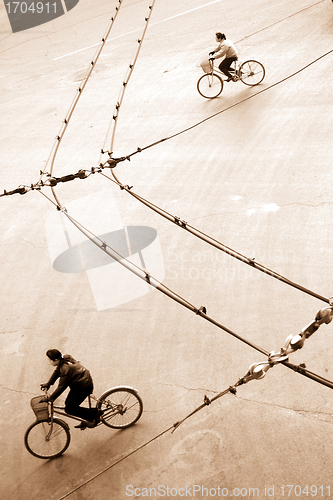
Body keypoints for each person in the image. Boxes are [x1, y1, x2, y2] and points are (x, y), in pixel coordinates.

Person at [40, 349, 103, 429]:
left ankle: (95, 413)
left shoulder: (66, 369)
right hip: (79, 383)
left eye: (50, 360)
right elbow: (57, 371)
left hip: (84, 387)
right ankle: (88, 418)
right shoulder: (62, 359)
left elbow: (61, 387)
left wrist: (51, 398)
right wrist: (49, 383)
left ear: (55, 360)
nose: (49, 362)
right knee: (68, 403)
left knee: (69, 409)